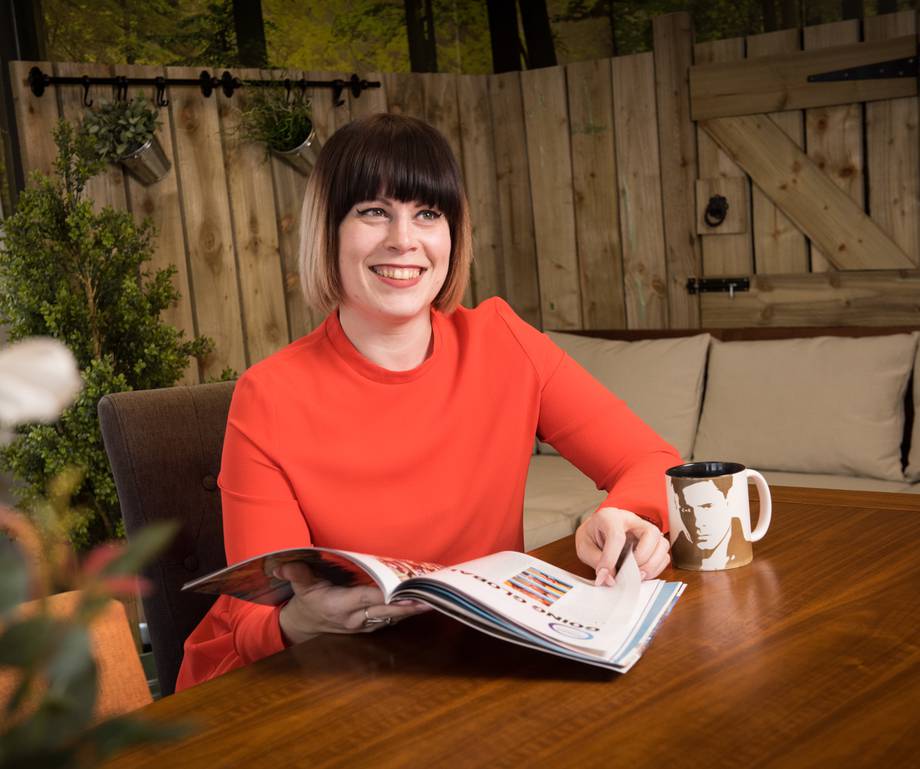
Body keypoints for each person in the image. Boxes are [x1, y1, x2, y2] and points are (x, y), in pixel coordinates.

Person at [175, 114, 680, 690]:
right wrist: (300, 620)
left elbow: (651, 461)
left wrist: (625, 513)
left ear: (452, 233)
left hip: (472, 665)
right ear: (328, 232)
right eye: (373, 211)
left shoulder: (504, 342)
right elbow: (253, 618)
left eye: (428, 214)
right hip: (317, 675)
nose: (403, 239)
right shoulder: (268, 394)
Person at [670, 477, 748, 570]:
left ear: (729, 501)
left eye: (707, 507)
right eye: (686, 509)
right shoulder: (672, 554)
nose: (697, 523)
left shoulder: (743, 547)